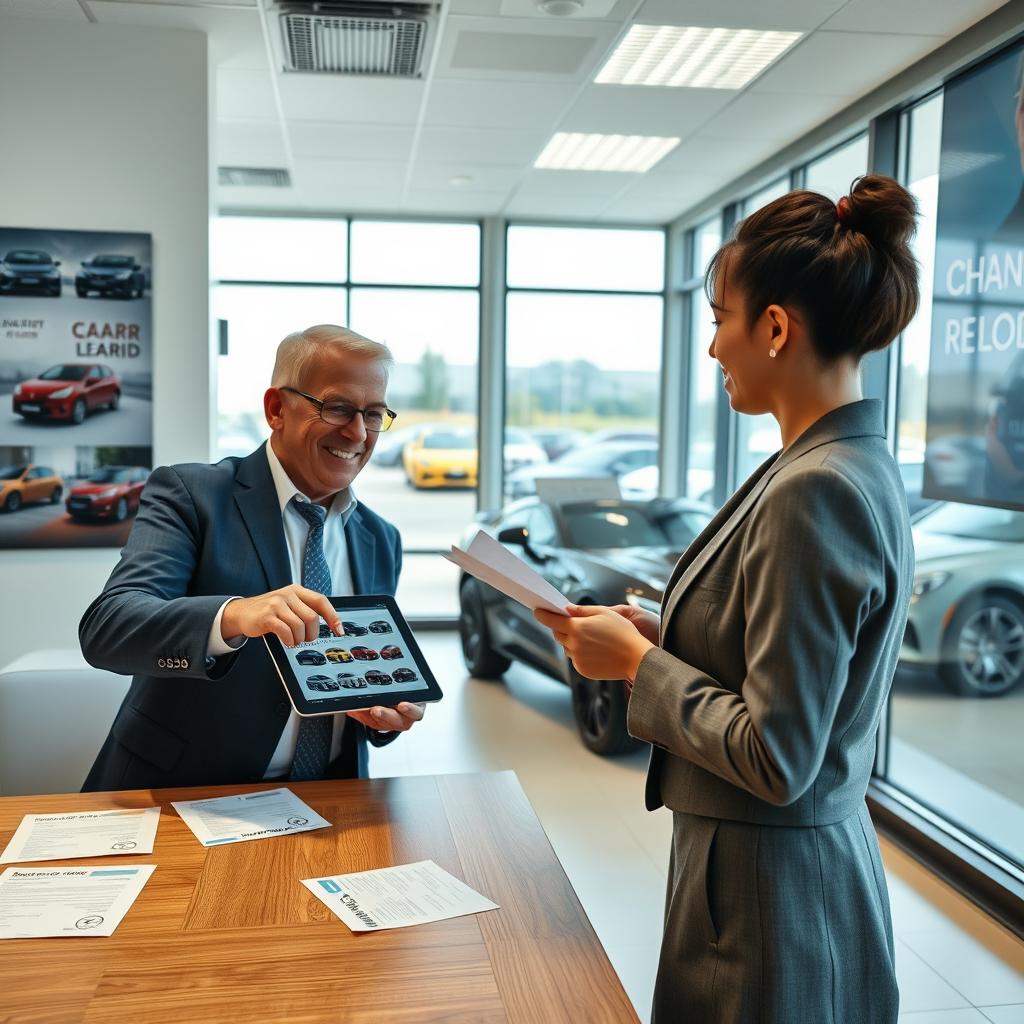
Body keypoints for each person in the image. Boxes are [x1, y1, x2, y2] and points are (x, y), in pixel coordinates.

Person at [536, 176, 920, 1023]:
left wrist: (639, 666)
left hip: (767, 893)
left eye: (718, 320)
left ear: (774, 327)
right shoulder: (838, 462)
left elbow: (777, 755)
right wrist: (658, 638)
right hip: (773, 873)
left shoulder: (813, 488)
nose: (712, 350)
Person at [81, 324, 423, 791]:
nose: (358, 432)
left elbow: (363, 690)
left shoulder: (381, 538)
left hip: (329, 802)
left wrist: (384, 711)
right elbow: (109, 629)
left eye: (374, 414)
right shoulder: (192, 495)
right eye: (338, 407)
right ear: (277, 409)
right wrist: (234, 616)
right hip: (183, 797)